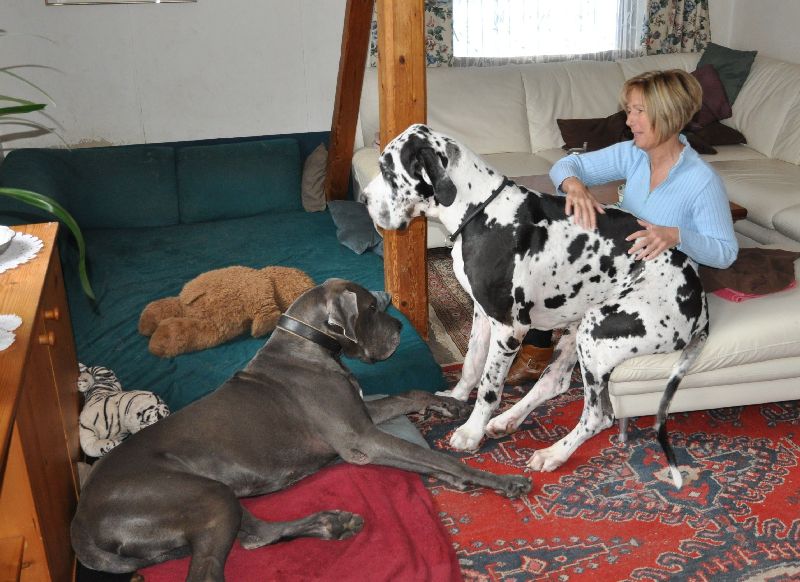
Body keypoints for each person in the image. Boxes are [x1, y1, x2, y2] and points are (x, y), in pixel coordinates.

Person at [505, 68, 738, 385]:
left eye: (639, 111)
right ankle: (537, 345)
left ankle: (539, 346)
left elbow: (725, 253)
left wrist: (676, 235)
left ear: (668, 115)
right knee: (545, 249)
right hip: (618, 267)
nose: (629, 121)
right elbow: (567, 164)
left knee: (554, 264)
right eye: (629, 110)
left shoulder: (702, 181)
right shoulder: (634, 155)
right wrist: (575, 186)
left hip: (658, 285)